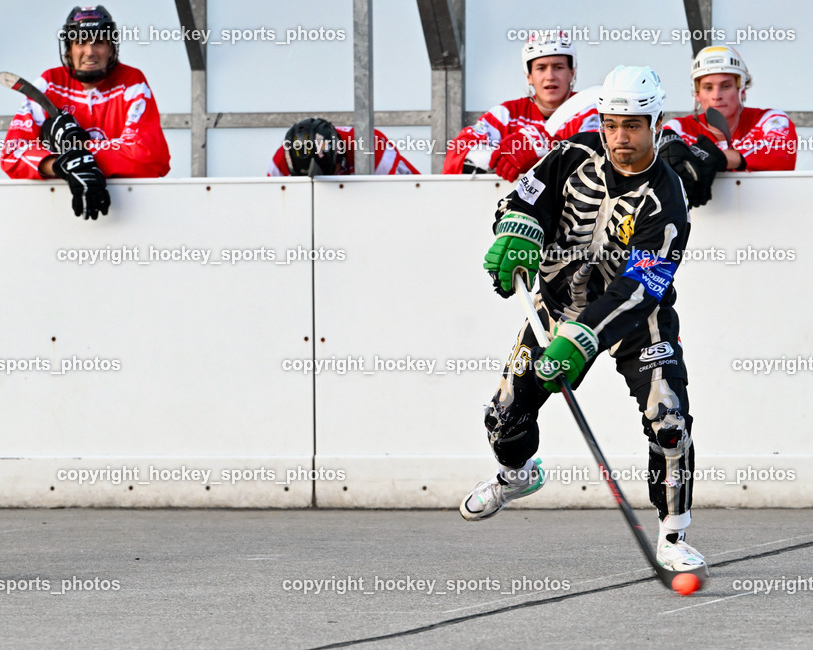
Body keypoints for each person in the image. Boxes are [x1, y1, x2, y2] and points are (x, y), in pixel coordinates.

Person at [459, 65, 707, 575]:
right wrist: (515, 235)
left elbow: (641, 286)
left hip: (637, 320)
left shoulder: (669, 198)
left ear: (657, 123)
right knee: (502, 419)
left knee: (669, 422)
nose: (621, 137)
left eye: (634, 125)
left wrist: (583, 339)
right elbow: (524, 197)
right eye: (613, 124)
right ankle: (518, 474)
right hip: (555, 307)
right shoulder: (574, 153)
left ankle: (674, 534)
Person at [1, 5, 170, 219]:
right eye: (80, 42)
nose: (90, 52)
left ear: (111, 48)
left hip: (129, 215)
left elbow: (150, 158)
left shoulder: (131, 82)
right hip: (54, 216)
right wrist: (60, 165)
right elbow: (12, 153)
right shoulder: (49, 83)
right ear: (69, 48)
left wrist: (77, 153)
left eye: (98, 42)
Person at [443, 30, 600, 180]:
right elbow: (458, 150)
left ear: (572, 73)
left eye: (558, 67)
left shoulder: (589, 108)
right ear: (529, 76)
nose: (550, 76)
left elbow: (598, 158)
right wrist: (498, 159)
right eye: (541, 68)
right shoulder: (506, 114)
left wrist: (544, 148)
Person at [660, 46, 797, 205]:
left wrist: (722, 158)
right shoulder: (678, 128)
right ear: (697, 94)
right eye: (708, 88)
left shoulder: (770, 119)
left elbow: (784, 152)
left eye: (726, 86)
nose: (716, 96)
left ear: (742, 90)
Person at [267, 117, 420, 176]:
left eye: (331, 173)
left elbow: (408, 197)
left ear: (339, 155)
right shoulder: (279, 163)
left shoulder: (372, 149)